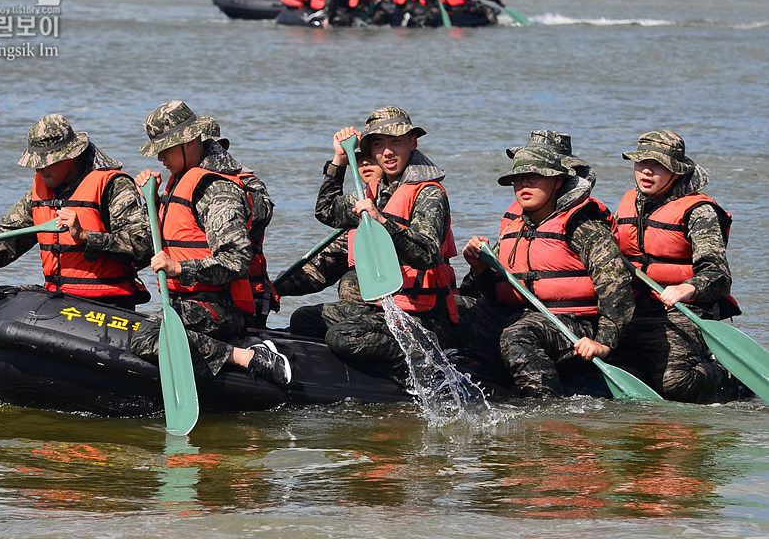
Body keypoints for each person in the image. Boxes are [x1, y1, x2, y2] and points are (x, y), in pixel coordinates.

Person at [289, 106, 459, 387]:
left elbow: (427, 253)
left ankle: (420, 373)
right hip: (386, 308)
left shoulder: (429, 193)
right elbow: (327, 211)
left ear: (412, 143)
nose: (387, 152)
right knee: (304, 319)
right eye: (378, 144)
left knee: (341, 336)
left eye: (395, 142)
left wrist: (384, 222)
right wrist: (339, 161)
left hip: (425, 317)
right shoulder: (376, 190)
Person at [456, 134, 635, 398]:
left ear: (558, 180)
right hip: (519, 316)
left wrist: (604, 343)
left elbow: (616, 286)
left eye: (535, 177)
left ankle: (544, 411)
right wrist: (479, 268)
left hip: (572, 324)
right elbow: (491, 294)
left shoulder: (583, 224)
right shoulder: (515, 224)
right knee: (452, 310)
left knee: (518, 337)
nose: (524, 184)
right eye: (518, 179)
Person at [0, 114, 151, 310]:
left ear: (71, 155)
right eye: (36, 162)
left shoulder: (114, 186)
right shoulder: (38, 193)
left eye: (46, 161)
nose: (39, 168)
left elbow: (143, 246)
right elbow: (0, 246)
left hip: (108, 304)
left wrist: (85, 236)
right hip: (60, 301)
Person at [130, 100, 291, 387]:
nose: (159, 159)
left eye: (165, 149)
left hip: (226, 303)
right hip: (197, 299)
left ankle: (250, 357)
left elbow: (237, 261)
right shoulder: (181, 180)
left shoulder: (216, 190)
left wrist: (178, 267)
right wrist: (153, 203)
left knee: (148, 338)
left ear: (190, 142)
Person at [609, 130, 740, 402]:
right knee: (610, 374)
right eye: (641, 162)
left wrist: (687, 287)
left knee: (676, 383)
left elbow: (718, 275)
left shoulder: (699, 212)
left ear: (676, 171)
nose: (646, 171)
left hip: (683, 311)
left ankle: (729, 375)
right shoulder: (627, 202)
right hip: (633, 309)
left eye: (657, 165)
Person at [274, 144, 383, 301]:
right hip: (363, 309)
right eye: (359, 159)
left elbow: (326, 210)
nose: (365, 163)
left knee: (349, 282)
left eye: (371, 158)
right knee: (300, 316)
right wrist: (271, 288)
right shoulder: (359, 205)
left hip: (393, 303)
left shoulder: (398, 198)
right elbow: (321, 267)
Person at [201, 116, 280, 328]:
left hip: (245, 293)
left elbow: (259, 218)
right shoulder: (190, 184)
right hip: (205, 291)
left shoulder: (246, 183)